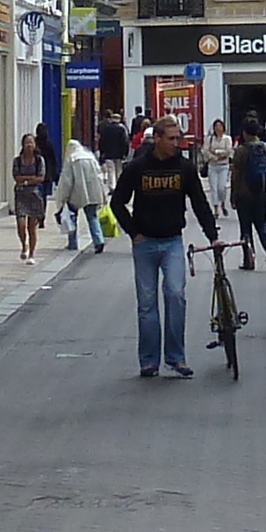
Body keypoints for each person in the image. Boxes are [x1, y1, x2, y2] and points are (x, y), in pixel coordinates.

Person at [113, 116, 220, 377]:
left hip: (172, 241)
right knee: (147, 304)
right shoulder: (138, 167)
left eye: (178, 139)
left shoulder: (184, 168)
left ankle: (176, 357)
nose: (176, 144)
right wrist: (133, 232)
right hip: (145, 243)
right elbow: (117, 202)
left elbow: (199, 203)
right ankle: (149, 361)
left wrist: (213, 236)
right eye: (171, 139)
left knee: (176, 295)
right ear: (157, 139)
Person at [230, 124, 266, 271]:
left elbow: (236, 175)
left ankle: (249, 258)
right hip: (261, 192)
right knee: (262, 223)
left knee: (245, 227)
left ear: (244, 133)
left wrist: (233, 195)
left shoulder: (241, 150)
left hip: (244, 193)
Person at [56, 132, 110, 251]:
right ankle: (98, 240)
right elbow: (99, 176)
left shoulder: (72, 159)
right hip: (92, 192)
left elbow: (67, 181)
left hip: (76, 194)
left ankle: (73, 243)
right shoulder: (90, 157)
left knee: (72, 218)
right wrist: (103, 194)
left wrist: (62, 198)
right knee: (92, 217)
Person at [11, 130, 50, 261]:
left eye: (31, 143)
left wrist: (26, 180)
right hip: (21, 195)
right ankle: (24, 245)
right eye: (26, 143)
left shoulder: (39, 160)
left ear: (35, 145)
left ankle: (32, 254)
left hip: (35, 195)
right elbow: (16, 177)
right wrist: (30, 178)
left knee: (32, 227)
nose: (29, 145)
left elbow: (41, 177)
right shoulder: (17, 160)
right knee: (21, 225)